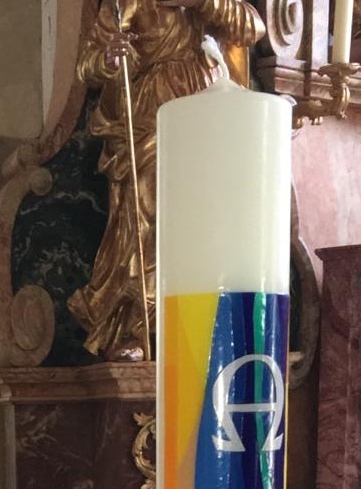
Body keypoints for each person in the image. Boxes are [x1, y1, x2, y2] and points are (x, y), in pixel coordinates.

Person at [67, 0, 265, 361]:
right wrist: (109, 58)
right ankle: (139, 329)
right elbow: (87, 66)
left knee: (208, 222)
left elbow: (252, 28)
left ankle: (204, 322)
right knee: (150, 213)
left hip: (206, 110)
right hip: (153, 114)